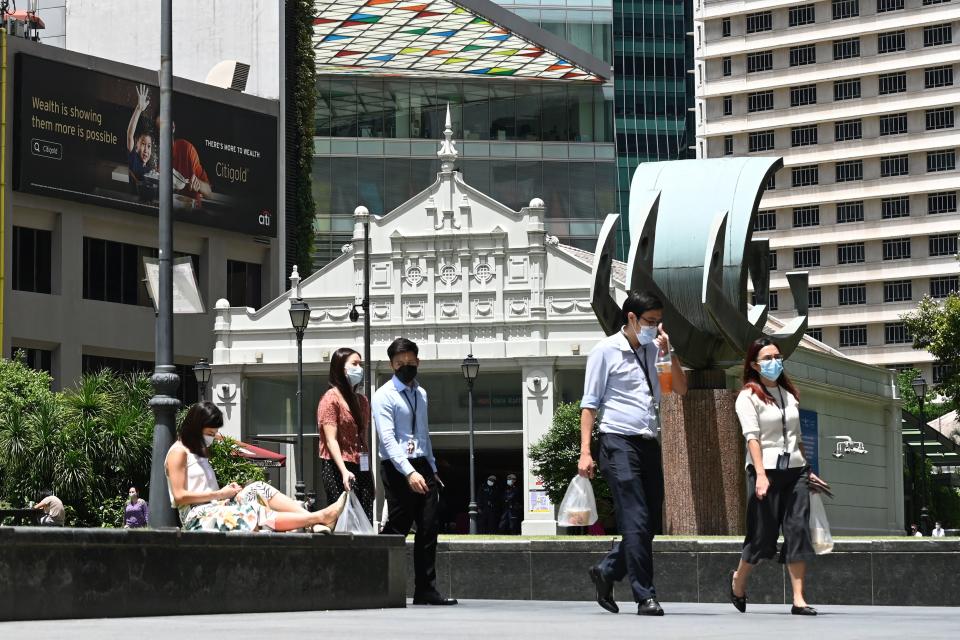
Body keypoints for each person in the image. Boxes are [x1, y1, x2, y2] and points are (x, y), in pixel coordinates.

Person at [579, 290, 687, 616]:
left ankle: (608, 570)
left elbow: (677, 389)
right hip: (617, 442)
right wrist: (585, 451)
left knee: (651, 519)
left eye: (658, 323)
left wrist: (669, 353)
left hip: (647, 442)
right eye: (649, 322)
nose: (654, 328)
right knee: (636, 518)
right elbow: (589, 405)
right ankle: (645, 596)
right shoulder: (605, 352)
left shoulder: (656, 351)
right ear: (631, 318)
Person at [729, 337, 828, 616]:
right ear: (754, 364)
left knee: (797, 530)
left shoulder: (790, 394)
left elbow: (796, 439)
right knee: (762, 536)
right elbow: (752, 438)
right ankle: (738, 581)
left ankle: (798, 599)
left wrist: (809, 470)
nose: (774, 362)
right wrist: (760, 474)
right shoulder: (747, 396)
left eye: (777, 356)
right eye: (767, 358)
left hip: (794, 471)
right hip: (766, 471)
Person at [165, 402, 345, 532]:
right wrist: (221, 493)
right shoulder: (178, 452)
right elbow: (180, 497)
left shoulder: (197, 451)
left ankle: (314, 521)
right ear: (195, 428)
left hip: (215, 506)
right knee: (254, 510)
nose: (214, 437)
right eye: (210, 433)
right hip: (197, 517)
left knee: (258, 488)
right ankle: (318, 518)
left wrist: (229, 493)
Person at [373, 337, 457, 605]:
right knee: (399, 524)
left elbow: (423, 433)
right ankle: (380, 584)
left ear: (418, 361)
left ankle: (426, 589)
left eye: (410, 362)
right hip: (398, 467)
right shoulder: (383, 396)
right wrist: (409, 472)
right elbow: (387, 439)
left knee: (429, 526)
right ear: (391, 365)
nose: (405, 367)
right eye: (399, 364)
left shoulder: (421, 394)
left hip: (422, 464)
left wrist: (431, 467)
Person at [318, 347, 374, 522]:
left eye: (360, 364)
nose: (359, 368)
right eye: (354, 364)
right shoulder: (330, 399)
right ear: (341, 368)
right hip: (337, 466)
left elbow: (362, 438)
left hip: (361, 464)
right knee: (343, 516)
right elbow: (330, 440)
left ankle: (365, 550)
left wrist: (368, 471)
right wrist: (344, 471)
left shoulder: (362, 401)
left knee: (365, 515)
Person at [126, 84, 154, 183]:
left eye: (149, 146)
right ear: (136, 146)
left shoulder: (150, 171)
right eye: (143, 144)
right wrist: (138, 109)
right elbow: (130, 135)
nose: (146, 149)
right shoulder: (134, 160)